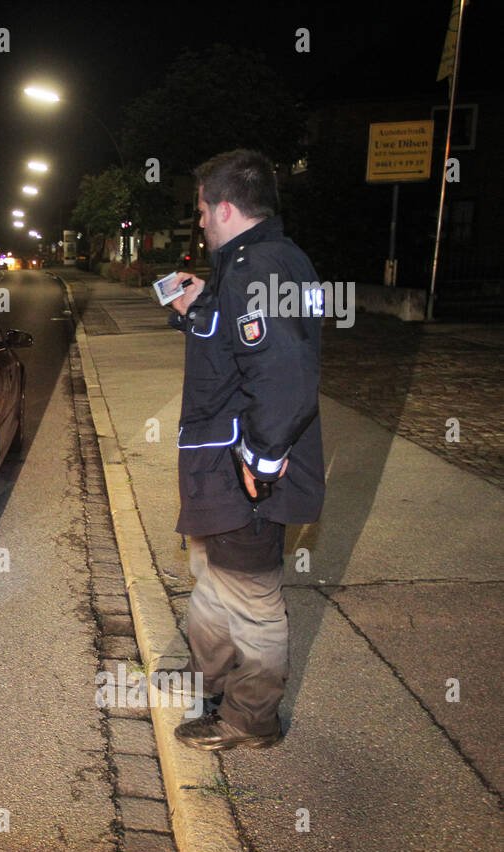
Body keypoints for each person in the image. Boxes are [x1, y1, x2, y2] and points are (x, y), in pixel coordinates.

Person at [165, 149, 325, 750]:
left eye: (204, 209)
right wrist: (202, 307)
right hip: (221, 466)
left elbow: (284, 374)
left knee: (253, 600)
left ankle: (250, 719)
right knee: (215, 578)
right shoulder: (258, 265)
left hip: (243, 470)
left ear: (226, 208)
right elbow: (242, 346)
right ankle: (207, 679)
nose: (201, 220)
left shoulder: (260, 268)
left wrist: (261, 459)